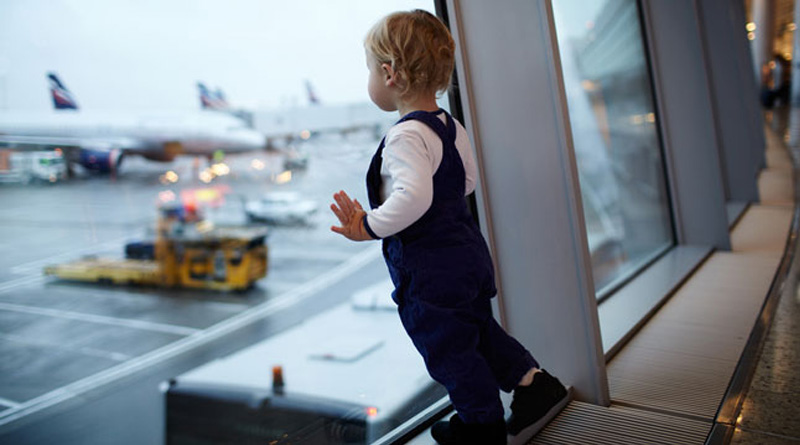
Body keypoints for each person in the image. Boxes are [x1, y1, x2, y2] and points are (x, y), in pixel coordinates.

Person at [329, 10, 569, 445]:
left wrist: (370, 225)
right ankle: (534, 384)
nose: (369, 77)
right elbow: (467, 182)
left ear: (390, 73)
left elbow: (414, 198)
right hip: (467, 254)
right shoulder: (447, 125)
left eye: (369, 68)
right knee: (478, 329)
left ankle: (481, 427)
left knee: (449, 349)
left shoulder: (405, 136)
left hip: (433, 270)